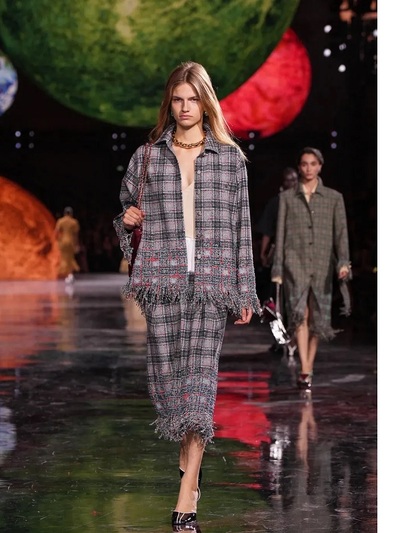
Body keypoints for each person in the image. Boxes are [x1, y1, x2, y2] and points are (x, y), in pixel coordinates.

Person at [113, 61, 260, 528]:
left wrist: (245, 290)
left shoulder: (230, 160)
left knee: (199, 382)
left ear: (206, 102)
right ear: (169, 103)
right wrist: (127, 220)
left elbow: (242, 229)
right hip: (161, 279)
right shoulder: (147, 157)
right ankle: (188, 458)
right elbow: (125, 212)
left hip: (213, 282)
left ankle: (187, 493)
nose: (184, 107)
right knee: (170, 385)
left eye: (192, 99)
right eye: (177, 99)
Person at [271, 147, 351, 391]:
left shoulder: (334, 198)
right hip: (294, 262)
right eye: (304, 164)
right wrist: (278, 268)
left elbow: (341, 233)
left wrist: (343, 262)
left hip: (322, 262)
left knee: (318, 318)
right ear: (299, 166)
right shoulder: (287, 198)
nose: (308, 168)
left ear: (320, 166)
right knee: (300, 314)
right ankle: (305, 369)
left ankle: (308, 366)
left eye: (313, 164)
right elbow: (280, 234)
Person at [257, 167, 298, 357]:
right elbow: (267, 230)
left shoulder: (303, 203)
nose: (291, 183)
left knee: (295, 301)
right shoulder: (276, 203)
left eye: (294, 180)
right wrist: (264, 253)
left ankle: (296, 340)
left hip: (298, 258)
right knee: (275, 301)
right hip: (278, 258)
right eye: (288, 180)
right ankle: (279, 340)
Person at [54, 206, 80, 283]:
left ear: (64, 213)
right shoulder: (74, 222)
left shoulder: (60, 221)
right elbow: (76, 235)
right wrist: (76, 244)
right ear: (71, 213)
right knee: (70, 258)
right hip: (71, 242)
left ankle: (65, 275)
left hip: (62, 242)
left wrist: (57, 240)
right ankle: (69, 275)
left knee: (63, 258)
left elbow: (56, 232)